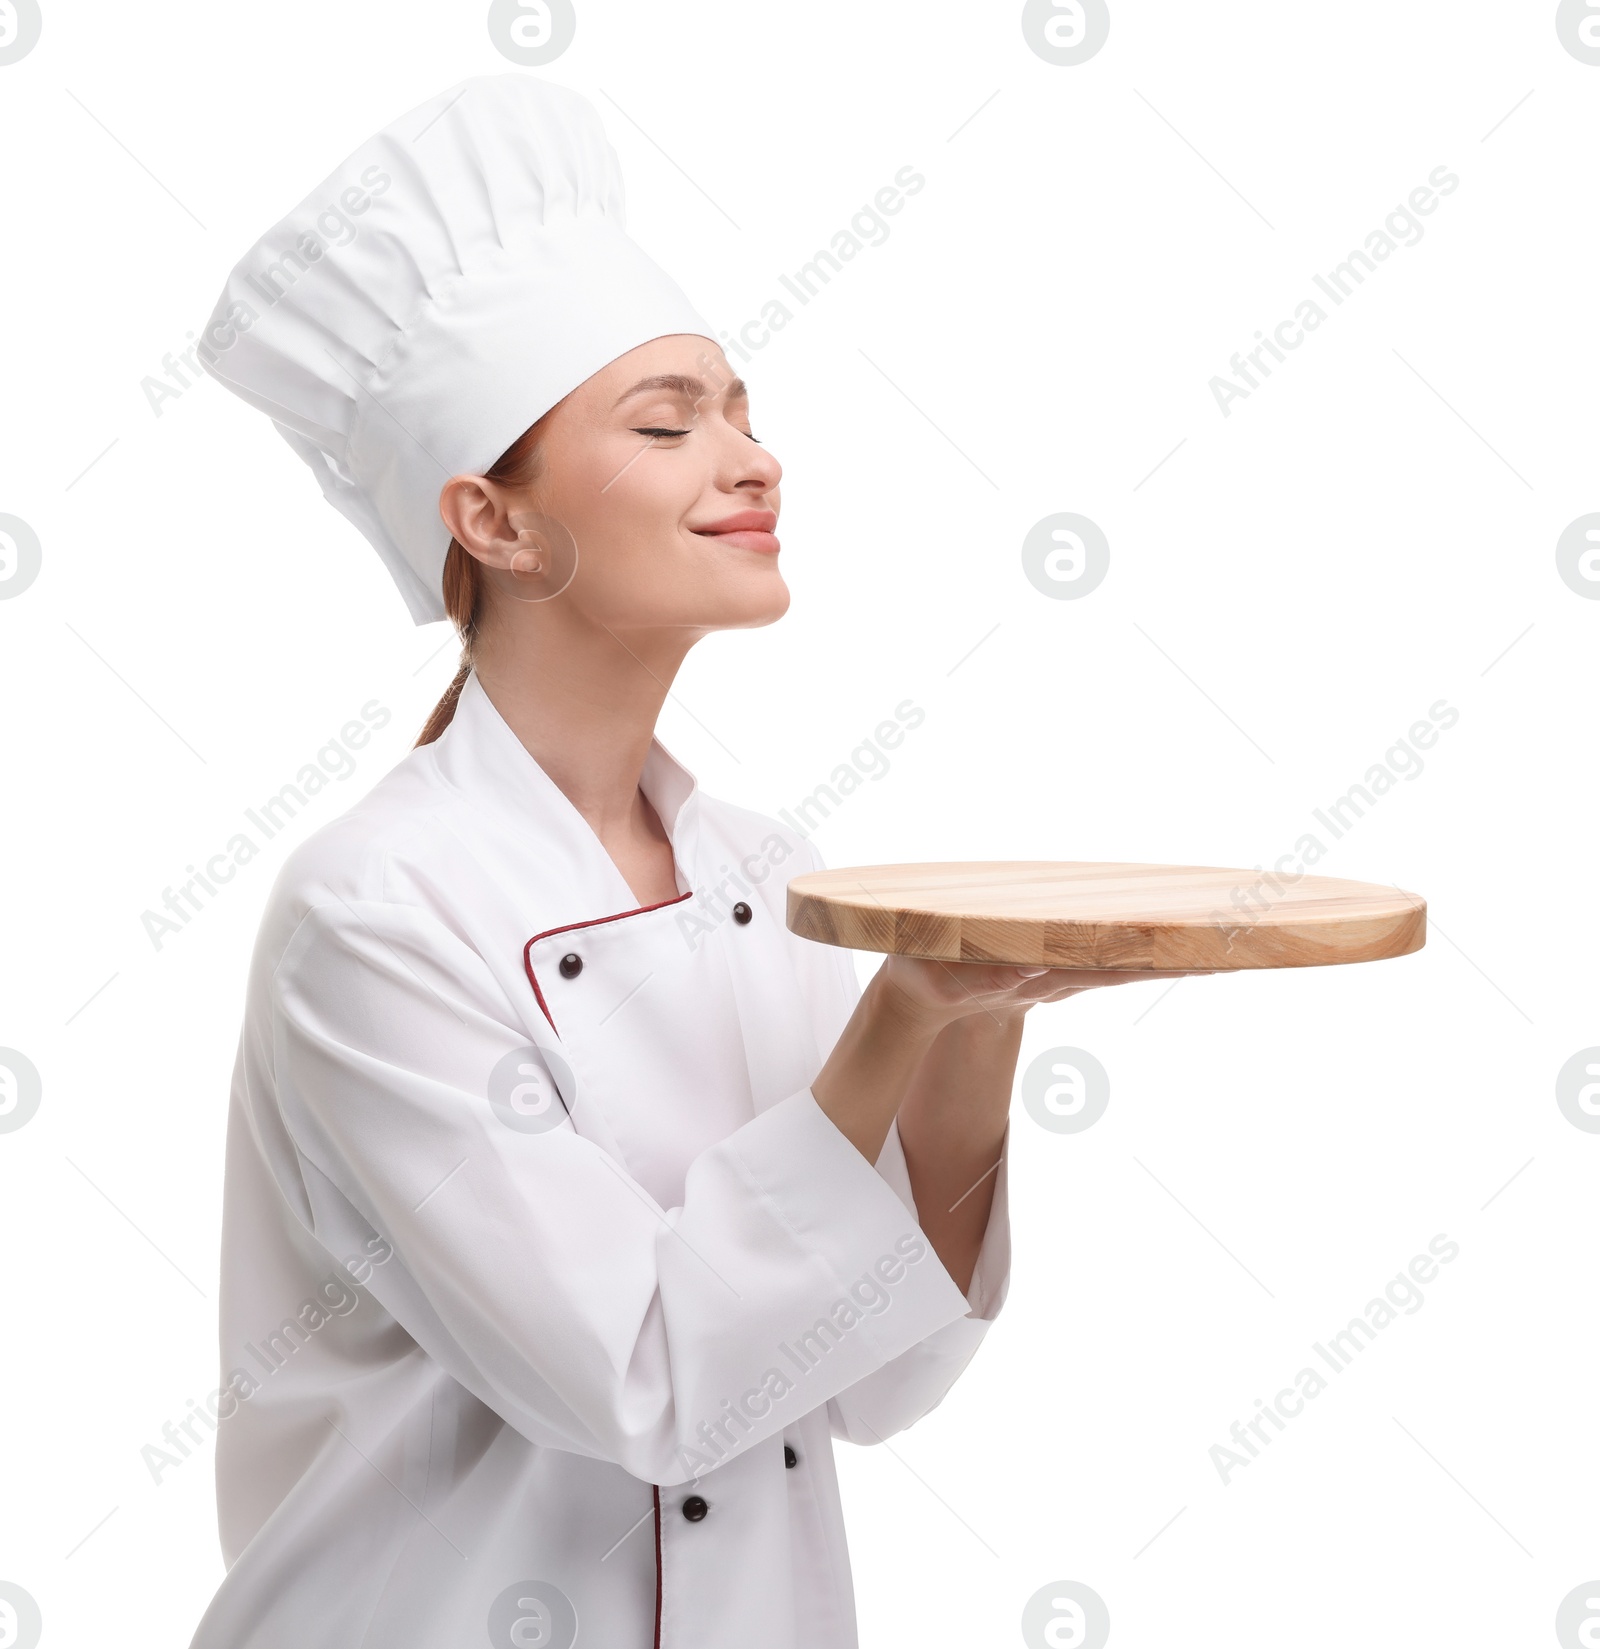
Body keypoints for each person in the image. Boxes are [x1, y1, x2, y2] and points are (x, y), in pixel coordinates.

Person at [186, 74, 1189, 1649]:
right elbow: (644, 1375)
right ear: (493, 522)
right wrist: (901, 1014)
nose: (751, 460)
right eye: (667, 422)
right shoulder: (373, 916)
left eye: (743, 409)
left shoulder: (761, 869)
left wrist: (976, 1013)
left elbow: (874, 1369)